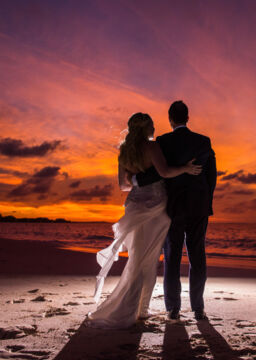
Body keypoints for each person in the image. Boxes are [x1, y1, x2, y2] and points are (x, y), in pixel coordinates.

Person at [86, 112, 201, 329]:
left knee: (138, 257)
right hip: (156, 207)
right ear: (146, 128)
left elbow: (123, 185)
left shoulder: (125, 151)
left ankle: (139, 309)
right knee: (146, 260)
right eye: (152, 124)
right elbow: (165, 172)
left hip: (135, 205)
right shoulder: (152, 147)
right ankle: (135, 310)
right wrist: (185, 168)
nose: (155, 128)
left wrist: (138, 181)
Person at [137, 100, 217, 321]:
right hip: (198, 205)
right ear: (187, 118)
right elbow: (211, 175)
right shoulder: (203, 141)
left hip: (172, 207)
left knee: (172, 257)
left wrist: (136, 180)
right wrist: (206, 199)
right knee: (197, 255)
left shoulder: (162, 142)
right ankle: (198, 308)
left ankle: (173, 309)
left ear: (170, 119)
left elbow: (158, 172)